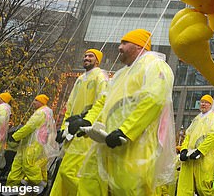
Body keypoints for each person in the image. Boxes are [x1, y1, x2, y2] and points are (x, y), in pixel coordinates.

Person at [68, 29, 176, 195]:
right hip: (106, 142)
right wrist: (88, 120)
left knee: (128, 189)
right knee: (89, 182)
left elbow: (154, 100)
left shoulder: (155, 65)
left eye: (125, 43)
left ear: (139, 46)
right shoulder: (120, 74)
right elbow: (104, 100)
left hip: (134, 146)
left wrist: (125, 131)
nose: (119, 47)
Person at [49, 48, 108, 196]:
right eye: (85, 55)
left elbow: (102, 102)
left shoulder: (100, 77)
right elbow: (70, 106)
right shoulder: (80, 79)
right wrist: (64, 128)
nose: (86, 58)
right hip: (72, 133)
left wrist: (87, 122)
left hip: (84, 134)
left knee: (69, 172)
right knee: (62, 174)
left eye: (91, 56)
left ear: (97, 60)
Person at [4, 94, 57, 191]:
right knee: (18, 165)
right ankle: (11, 188)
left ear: (41, 102)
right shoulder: (44, 112)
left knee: (29, 164)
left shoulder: (41, 113)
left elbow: (30, 126)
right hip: (30, 143)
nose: (34, 102)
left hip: (33, 143)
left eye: (36, 100)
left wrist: (16, 136)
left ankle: (38, 182)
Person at [177, 94, 214, 196]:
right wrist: (184, 149)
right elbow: (188, 135)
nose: (203, 104)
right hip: (189, 158)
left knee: (204, 187)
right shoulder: (196, 119)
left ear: (211, 105)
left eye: (206, 102)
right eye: (202, 102)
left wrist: (200, 151)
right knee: (185, 186)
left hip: (204, 159)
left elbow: (213, 136)